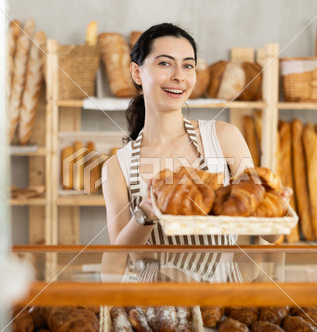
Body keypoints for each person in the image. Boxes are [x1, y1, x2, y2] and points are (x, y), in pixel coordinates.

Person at [101, 23, 285, 283]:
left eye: (188, 65)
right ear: (137, 72)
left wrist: (276, 206)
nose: (179, 76)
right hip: (157, 307)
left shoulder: (223, 137)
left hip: (221, 301)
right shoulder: (116, 167)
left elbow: (271, 236)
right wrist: (146, 211)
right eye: (165, 63)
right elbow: (116, 260)